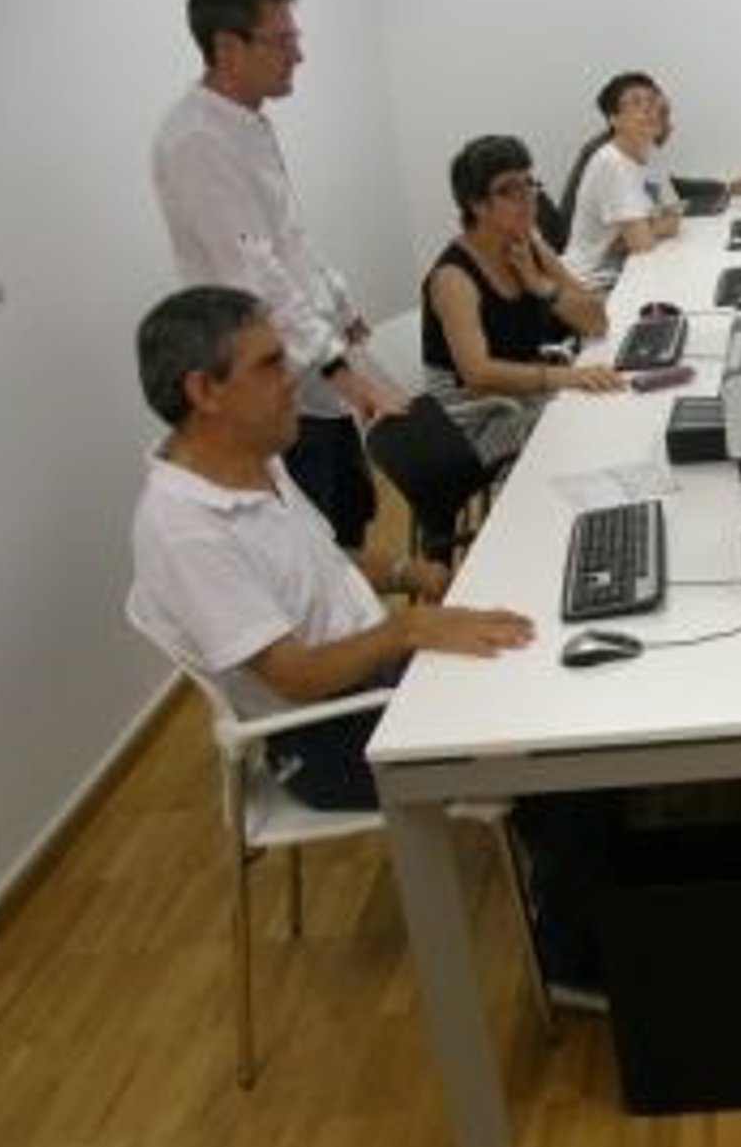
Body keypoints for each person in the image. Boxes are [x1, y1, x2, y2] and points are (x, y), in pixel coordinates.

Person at [127, 286, 534, 810]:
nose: (292, 376)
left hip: (376, 674)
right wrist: (409, 629)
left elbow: (322, 563)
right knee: (537, 728)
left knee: (535, 659)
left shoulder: (254, 458)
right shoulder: (184, 530)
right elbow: (296, 676)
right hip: (328, 737)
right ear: (204, 390)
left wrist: (413, 574)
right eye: (270, 364)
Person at [151, 0, 406, 551]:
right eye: (283, 40)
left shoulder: (246, 123)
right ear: (228, 48)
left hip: (309, 359)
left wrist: (341, 308)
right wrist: (341, 370)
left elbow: (289, 238)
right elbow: (255, 275)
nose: (299, 55)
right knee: (315, 538)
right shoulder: (197, 140)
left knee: (349, 517)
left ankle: (364, 606)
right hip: (271, 377)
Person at [423, 136, 621, 465]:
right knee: (591, 423)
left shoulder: (527, 243)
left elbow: (596, 320)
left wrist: (541, 286)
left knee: (611, 403)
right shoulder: (454, 278)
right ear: (477, 205)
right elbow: (478, 375)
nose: (528, 197)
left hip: (526, 396)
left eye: (529, 183)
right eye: (510, 190)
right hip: (481, 424)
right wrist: (563, 378)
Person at [563, 70, 683, 289]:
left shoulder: (649, 153)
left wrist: (641, 230)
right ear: (614, 119)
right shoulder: (610, 161)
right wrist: (644, 230)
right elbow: (642, 243)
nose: (648, 109)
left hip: (629, 269)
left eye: (652, 101)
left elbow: (674, 218)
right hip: (591, 283)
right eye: (636, 103)